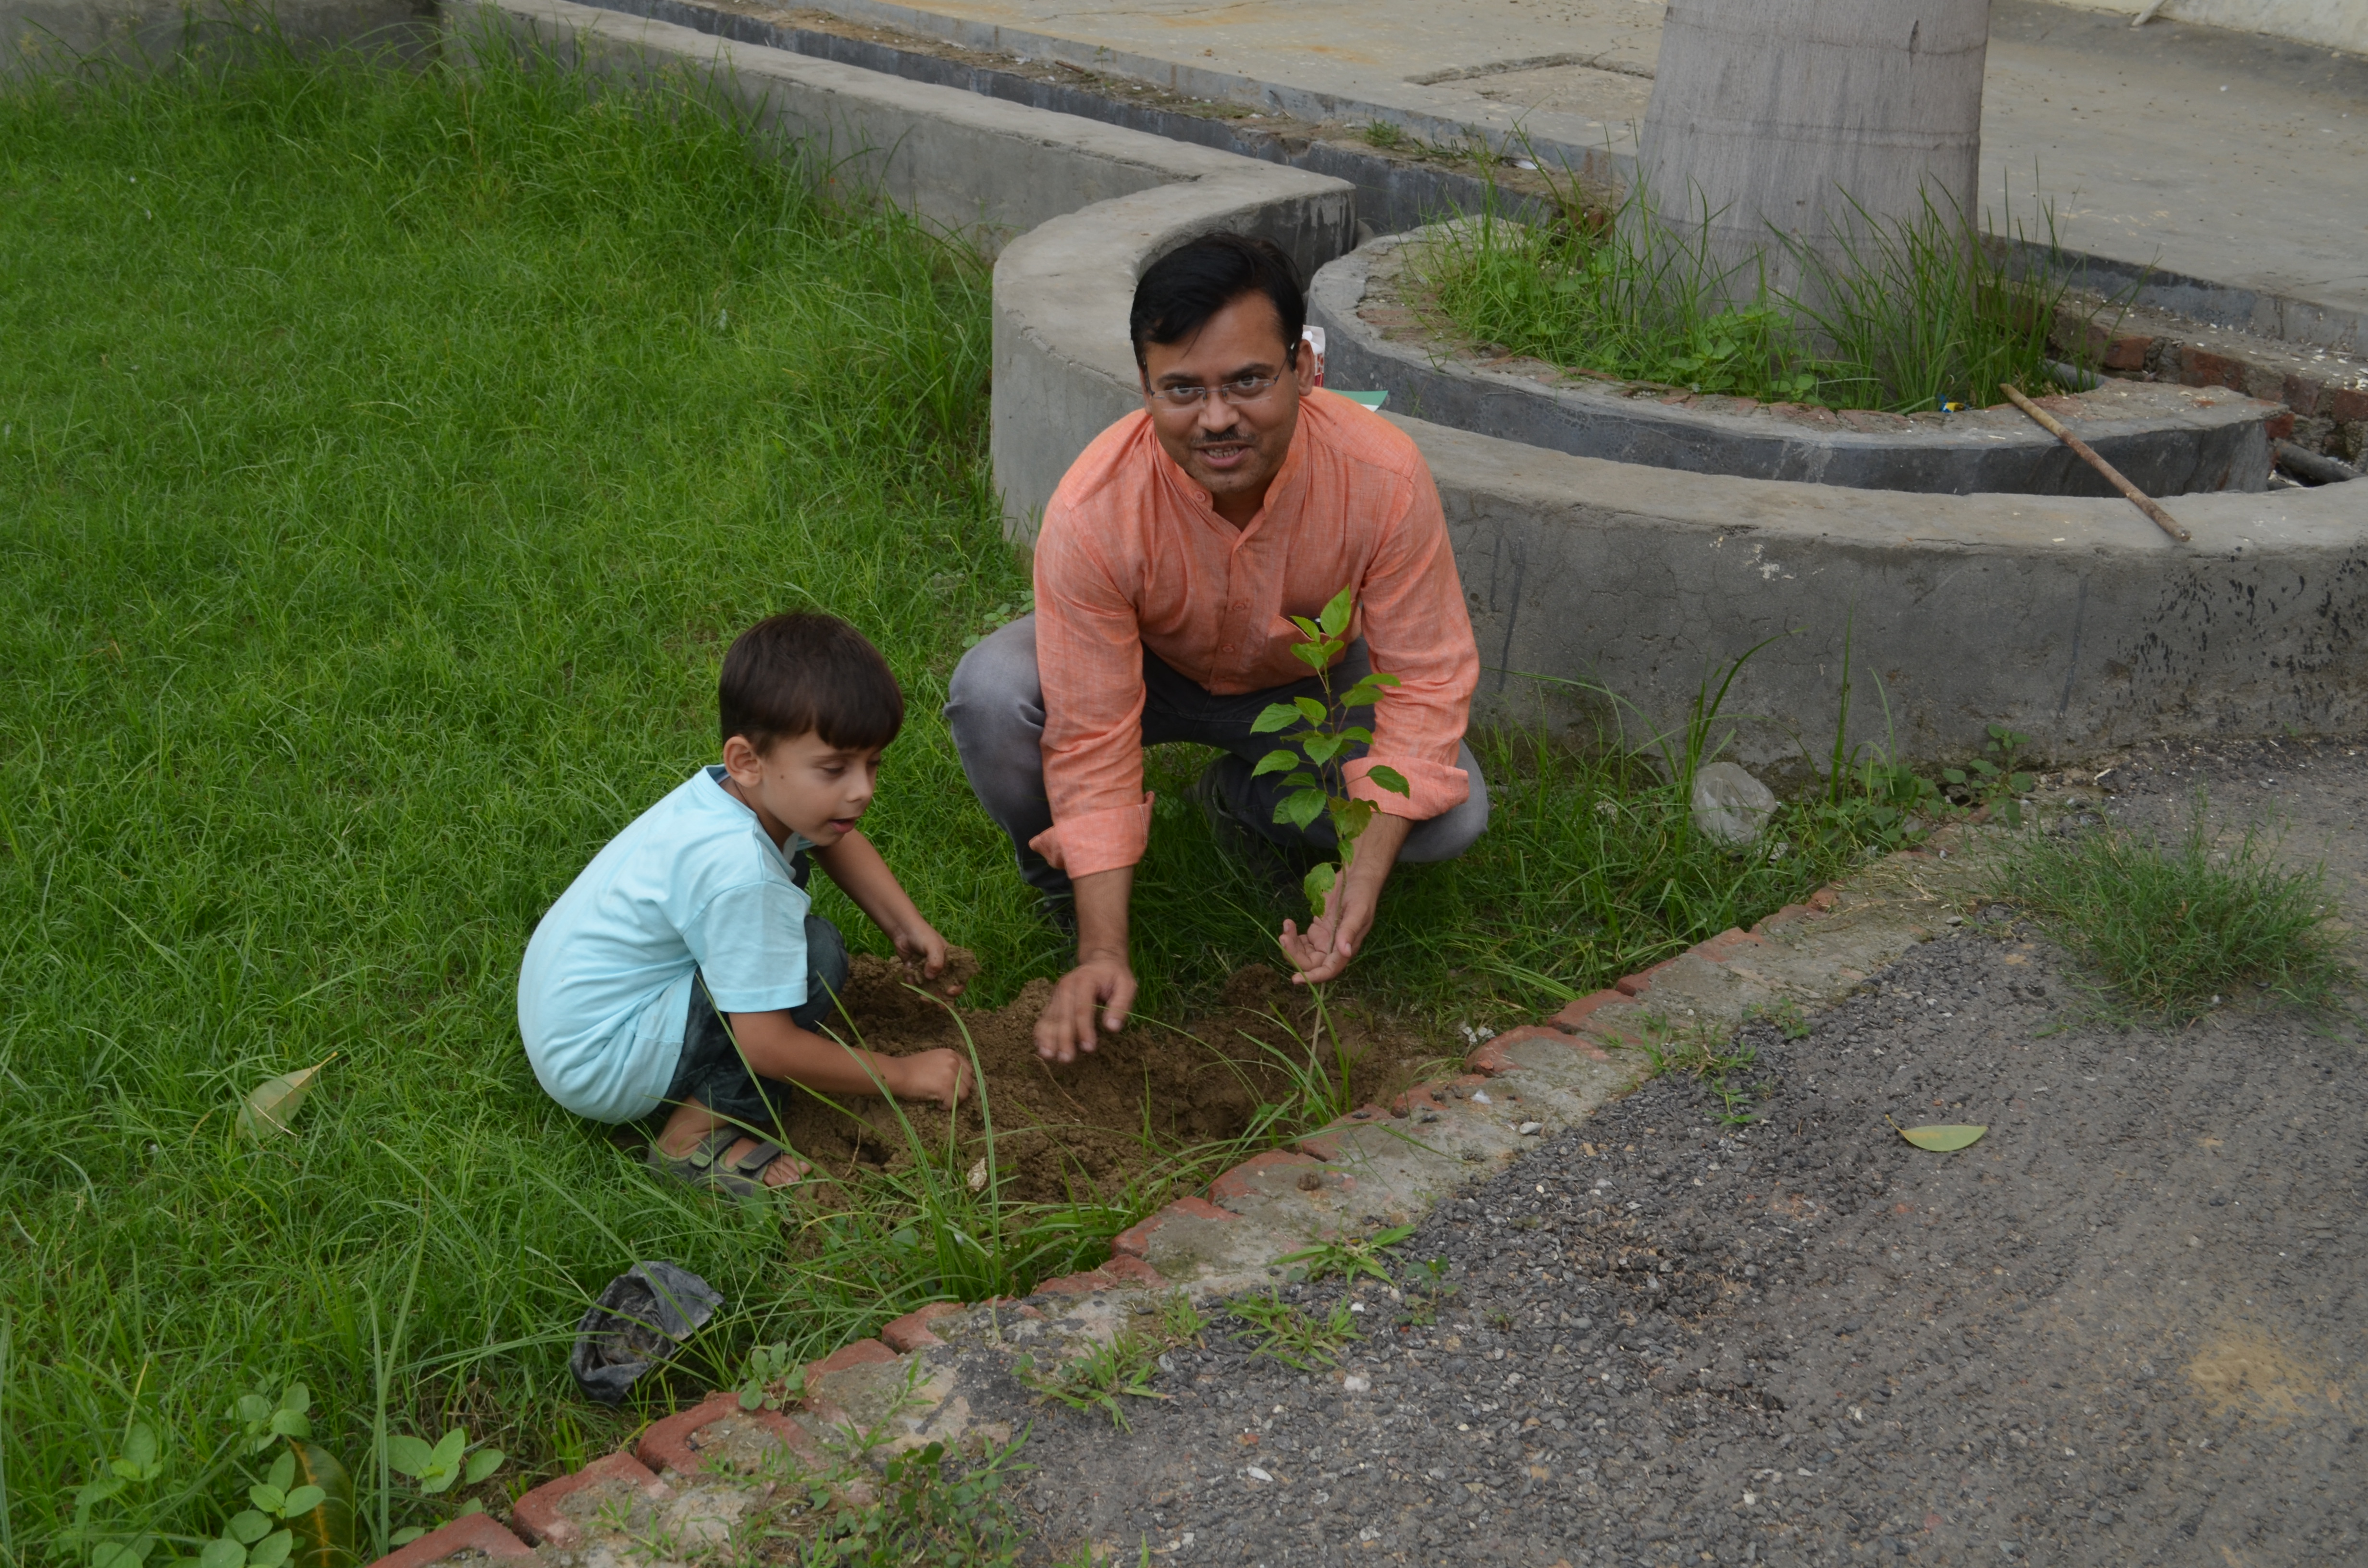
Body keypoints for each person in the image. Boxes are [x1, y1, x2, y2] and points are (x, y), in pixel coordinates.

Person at [946, 232, 1487, 1066]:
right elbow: (1091, 734)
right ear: (1144, 387)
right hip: (1150, 671)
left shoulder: (1382, 477)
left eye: (1247, 381)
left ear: (1303, 368)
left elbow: (1422, 682)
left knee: (1451, 816)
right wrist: (1102, 949)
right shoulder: (1095, 509)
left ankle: (1240, 803)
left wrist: (1360, 873)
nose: (1217, 419)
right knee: (994, 690)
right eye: (1182, 389)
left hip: (1304, 682)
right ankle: (1070, 896)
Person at [518, 612, 969, 1200]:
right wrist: (905, 1075)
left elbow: (833, 838)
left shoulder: (735, 795)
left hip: (571, 1017)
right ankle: (689, 1139)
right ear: (747, 760)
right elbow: (768, 1047)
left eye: (872, 763)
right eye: (834, 768)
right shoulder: (741, 873)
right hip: (603, 1062)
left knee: (792, 945)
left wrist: (904, 924)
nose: (862, 790)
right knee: (813, 958)